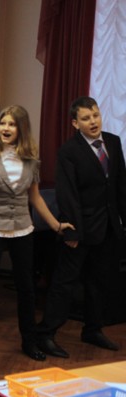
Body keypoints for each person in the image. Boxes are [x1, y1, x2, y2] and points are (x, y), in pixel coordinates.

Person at [0, 105, 74, 364]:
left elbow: (35, 198)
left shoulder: (31, 161)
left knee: (27, 289)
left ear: (22, 129)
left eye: (12, 124)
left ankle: (29, 342)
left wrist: (56, 225)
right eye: (3, 123)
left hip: (23, 230)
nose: (6, 128)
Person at [37, 96, 126, 358]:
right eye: (86, 118)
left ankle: (93, 329)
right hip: (80, 229)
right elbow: (67, 194)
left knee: (99, 282)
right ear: (76, 123)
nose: (93, 122)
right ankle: (46, 334)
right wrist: (72, 232)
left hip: (108, 227)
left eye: (95, 115)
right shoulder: (69, 151)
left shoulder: (113, 141)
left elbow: (120, 186)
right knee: (64, 283)